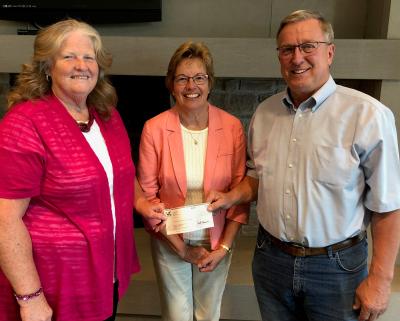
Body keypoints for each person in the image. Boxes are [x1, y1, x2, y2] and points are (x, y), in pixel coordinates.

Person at [207, 9, 400, 321]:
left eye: (308, 46)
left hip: (336, 269)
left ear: (330, 51)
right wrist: (230, 197)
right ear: (279, 56)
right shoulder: (264, 113)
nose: (297, 58)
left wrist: (380, 279)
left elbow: (388, 205)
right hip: (271, 262)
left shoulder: (368, 116)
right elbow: (260, 176)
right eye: (287, 49)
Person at [0, 19, 165, 321]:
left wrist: (143, 205)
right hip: (54, 286)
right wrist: (30, 298)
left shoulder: (108, 116)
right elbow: (5, 220)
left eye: (89, 57)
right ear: (48, 66)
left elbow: (120, 179)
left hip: (105, 273)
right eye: (68, 56)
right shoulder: (24, 124)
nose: (82, 64)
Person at [137, 41, 249, 321]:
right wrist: (182, 249)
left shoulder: (232, 127)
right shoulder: (154, 128)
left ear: (210, 83)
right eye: (182, 78)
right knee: (177, 316)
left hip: (216, 239)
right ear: (171, 84)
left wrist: (223, 247)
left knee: (208, 315)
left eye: (199, 77)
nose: (191, 86)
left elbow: (240, 192)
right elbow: (148, 195)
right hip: (170, 237)